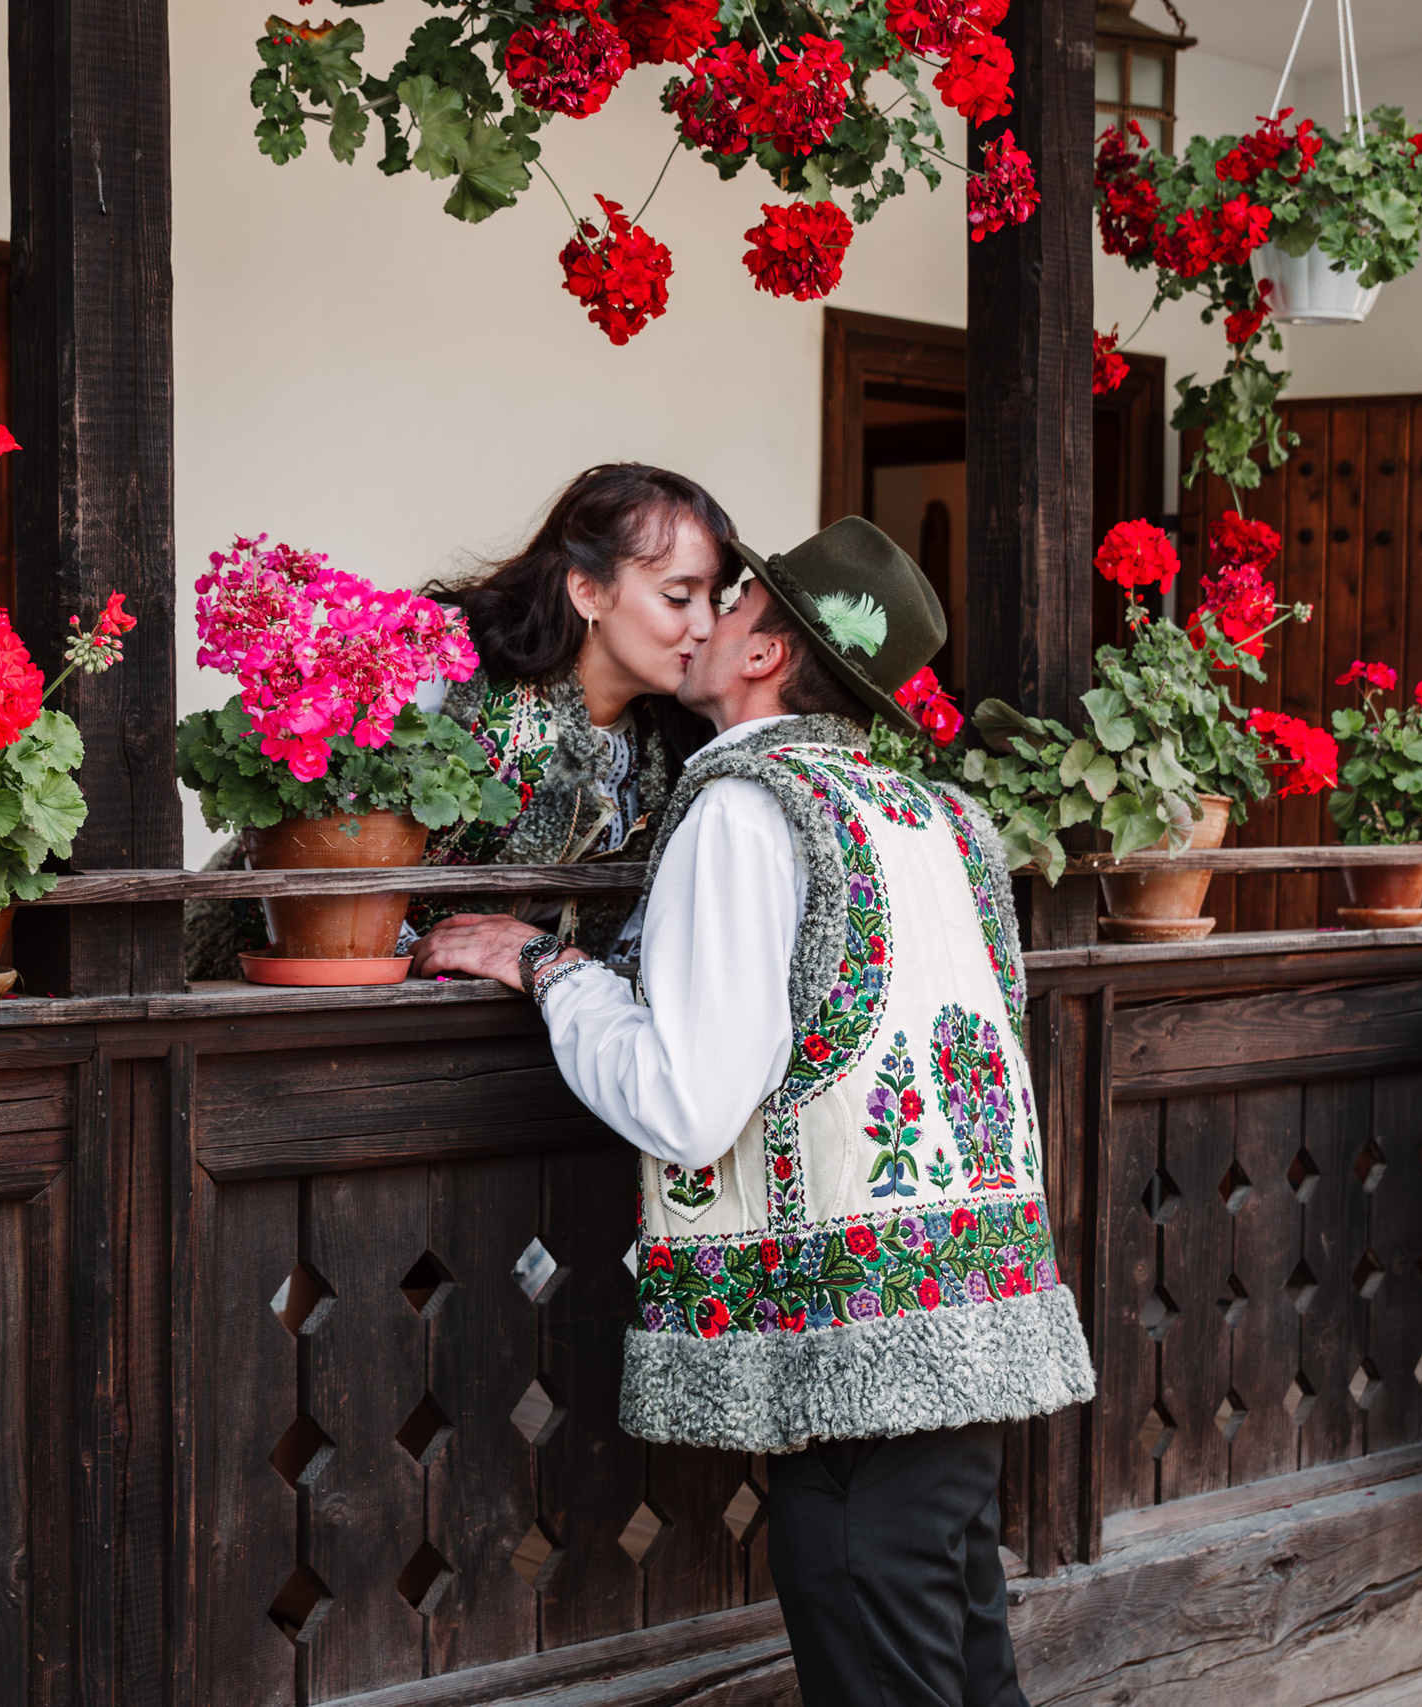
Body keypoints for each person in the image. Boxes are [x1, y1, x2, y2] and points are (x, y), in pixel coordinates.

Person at [413, 517, 1096, 1707]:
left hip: (852, 1356)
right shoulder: (934, 813)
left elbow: (688, 1103)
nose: (704, 621)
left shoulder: (745, 808)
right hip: (972, 1328)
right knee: (970, 1673)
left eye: (727, 605)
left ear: (767, 653)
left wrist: (546, 967)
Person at [412, 463, 734, 965]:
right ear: (587, 592)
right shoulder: (452, 666)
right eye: (678, 598)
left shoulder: (678, 734)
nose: (706, 625)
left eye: (715, 599)